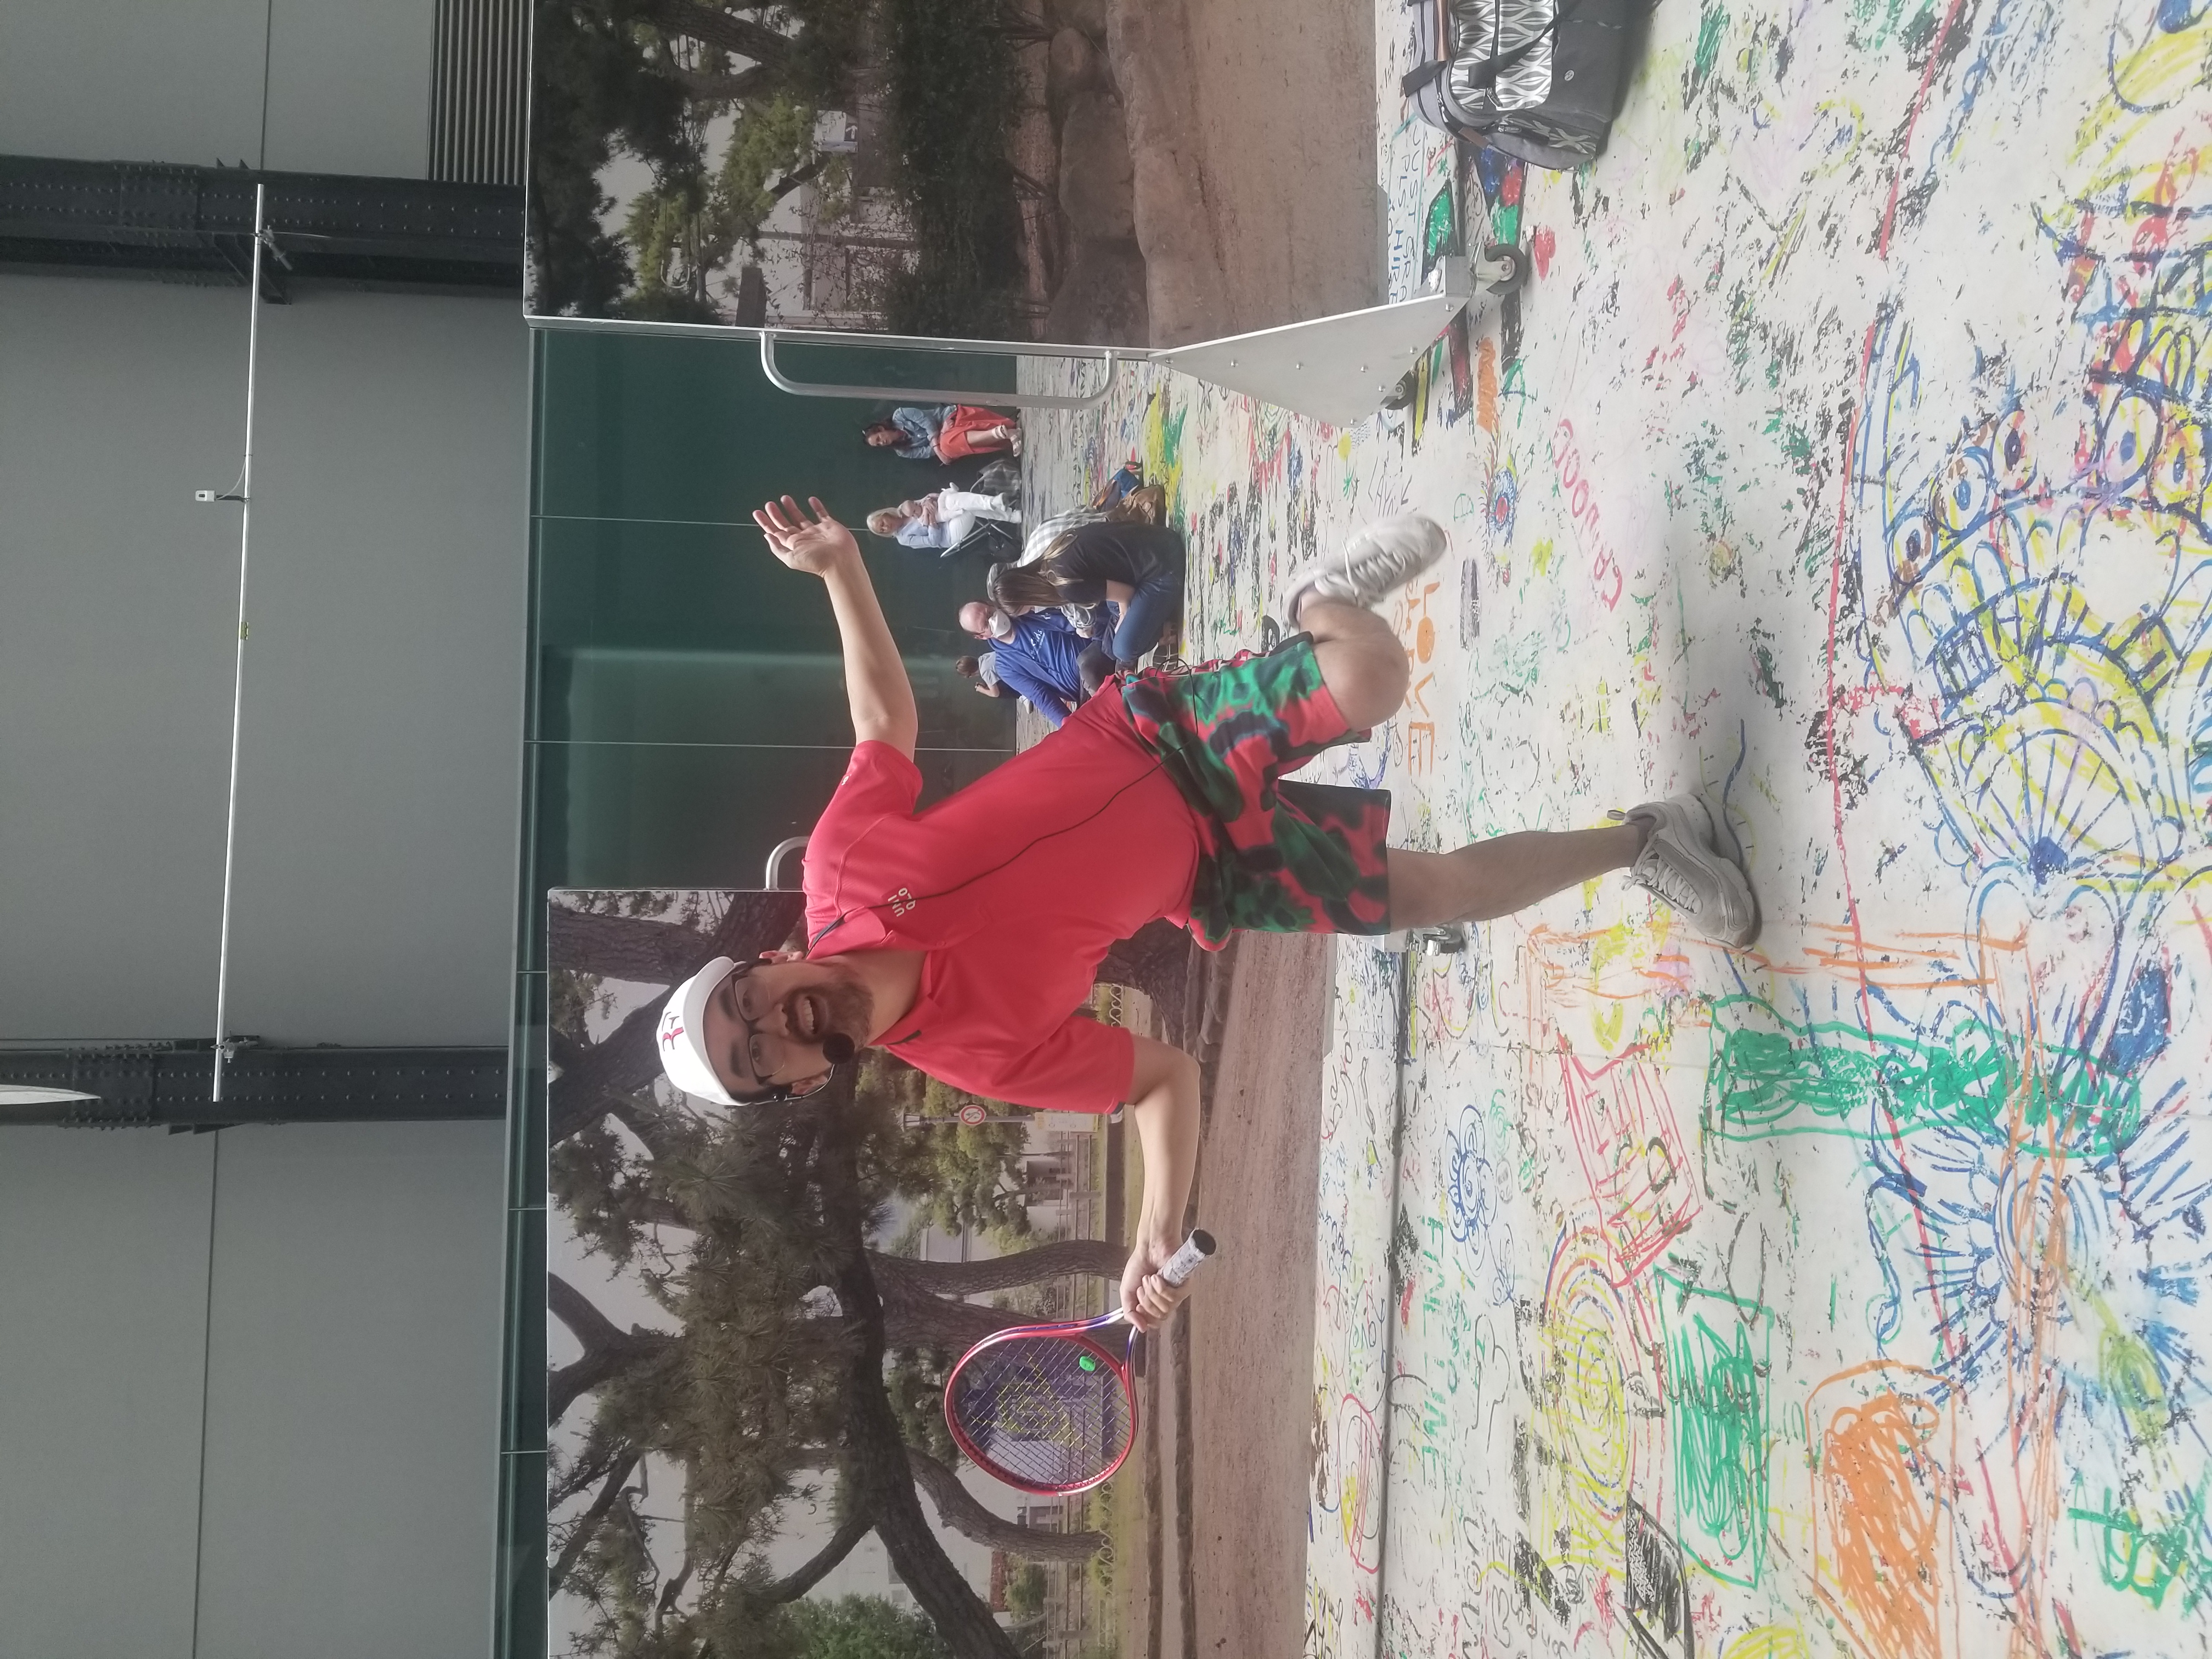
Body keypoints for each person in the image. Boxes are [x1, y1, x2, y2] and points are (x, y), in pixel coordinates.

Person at [653, 494, 1760, 1334]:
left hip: (1156, 737)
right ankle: (1645, 839)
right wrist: (1158, 1223)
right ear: (796, 1088)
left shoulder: (842, 871)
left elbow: (882, 722)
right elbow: (1159, 1079)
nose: (774, 1030)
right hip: (1211, 873)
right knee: (1444, 894)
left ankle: (1320, 605)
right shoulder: (982, 1057)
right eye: (756, 1063)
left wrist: (843, 567)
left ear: (772, 959)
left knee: (1369, 675)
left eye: (746, 1004)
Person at [990, 522, 1186, 687]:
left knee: (1122, 648)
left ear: (1025, 595)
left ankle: (1161, 630)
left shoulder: (1064, 585)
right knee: (1112, 611)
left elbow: (1126, 594)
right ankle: (1148, 626)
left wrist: (1125, 616)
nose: (1031, 610)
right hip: (1160, 540)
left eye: (1025, 608)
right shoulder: (1051, 555)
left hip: (1165, 570)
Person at [957, 600, 1091, 729]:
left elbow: (1073, 620)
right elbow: (1041, 697)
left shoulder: (1028, 611)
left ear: (991, 604)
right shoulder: (1006, 668)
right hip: (1083, 689)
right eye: (986, 623)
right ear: (981, 636)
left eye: (990, 612)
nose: (993, 619)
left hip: (1094, 650)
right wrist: (1070, 728)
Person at [866, 488, 1019, 554]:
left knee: (954, 501)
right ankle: (999, 506)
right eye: (882, 531)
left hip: (946, 511)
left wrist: (928, 503)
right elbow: (933, 542)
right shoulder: (904, 539)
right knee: (963, 506)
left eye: (882, 524)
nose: (886, 528)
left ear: (885, 514)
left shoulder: (904, 509)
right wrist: (931, 518)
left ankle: (1005, 511)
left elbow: (926, 500)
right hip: (949, 535)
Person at [862, 405, 1021, 462]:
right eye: (879, 445)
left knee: (946, 446)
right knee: (947, 445)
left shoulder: (901, 415)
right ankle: (1002, 433)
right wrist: (941, 437)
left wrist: (938, 442)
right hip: (946, 436)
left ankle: (1003, 433)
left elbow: (927, 422)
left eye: (879, 439)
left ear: (881, 429)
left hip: (951, 418)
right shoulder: (902, 451)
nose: (882, 443)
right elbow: (928, 452)